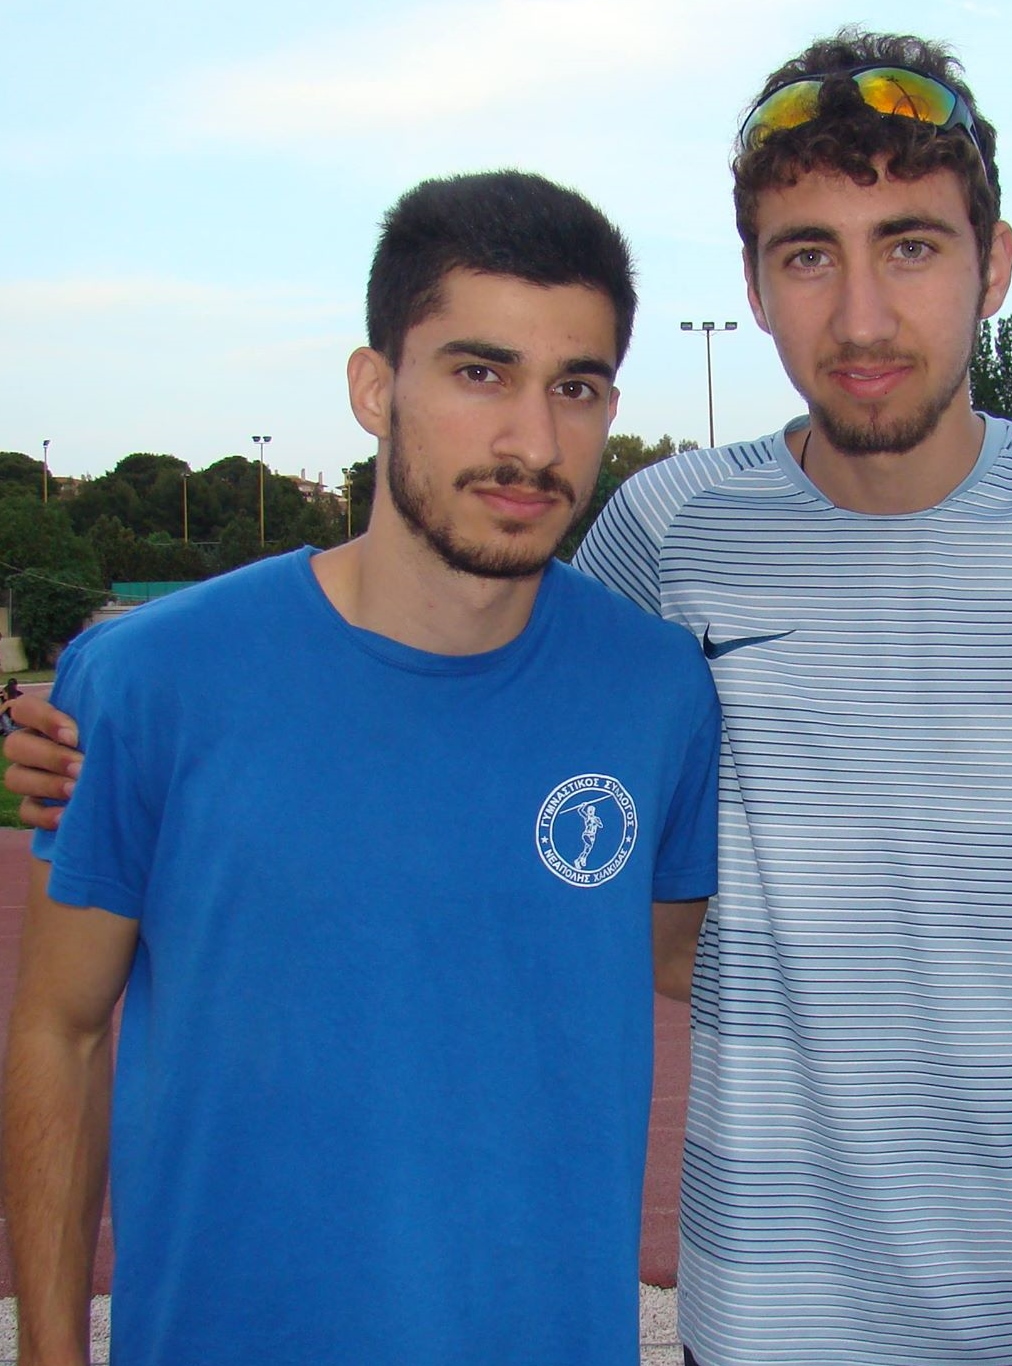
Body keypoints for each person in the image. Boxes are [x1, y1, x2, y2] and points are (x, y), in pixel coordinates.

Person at [7, 28, 1012, 1366]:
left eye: (909, 245)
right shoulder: (668, 532)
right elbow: (450, 638)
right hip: (759, 1319)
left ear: (994, 264)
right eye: (808, 255)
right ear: (754, 286)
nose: (861, 316)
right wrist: (108, 719)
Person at [0, 170, 720, 1366]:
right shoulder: (148, 681)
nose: (532, 442)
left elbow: (677, 956)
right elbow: (60, 1033)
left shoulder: (657, 690)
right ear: (374, 387)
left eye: (576, 387)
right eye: (479, 372)